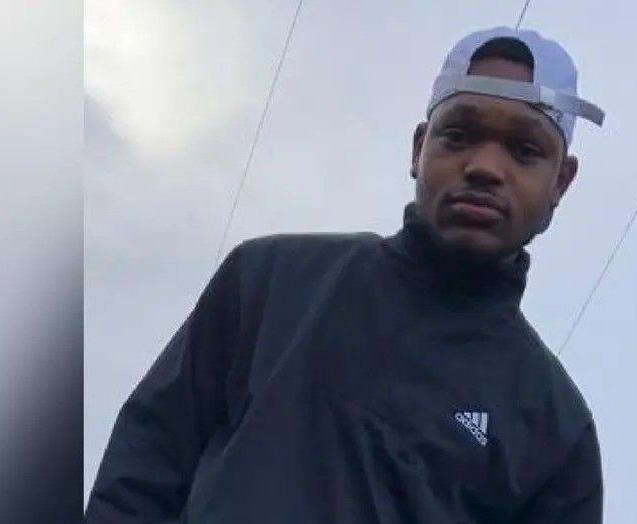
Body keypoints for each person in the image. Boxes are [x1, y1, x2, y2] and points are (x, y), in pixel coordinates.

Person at [85, 26, 605, 523]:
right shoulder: (269, 282)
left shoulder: (556, 427)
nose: (485, 167)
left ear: (561, 180)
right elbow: (143, 468)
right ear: (419, 148)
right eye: (459, 135)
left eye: (524, 150)